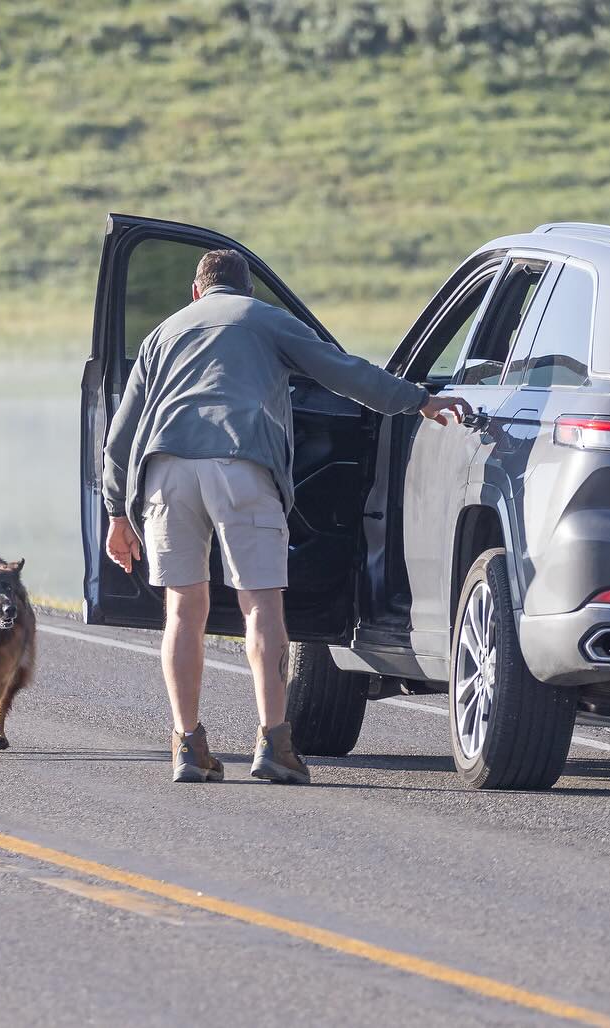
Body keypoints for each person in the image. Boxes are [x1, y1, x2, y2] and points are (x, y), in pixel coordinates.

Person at [102, 249, 471, 784]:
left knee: (183, 609)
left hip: (166, 471)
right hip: (241, 464)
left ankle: (187, 745)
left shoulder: (164, 333)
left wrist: (117, 511)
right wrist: (419, 401)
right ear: (248, 291)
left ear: (196, 292)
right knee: (261, 604)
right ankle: (274, 743)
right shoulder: (265, 319)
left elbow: (120, 433)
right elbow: (345, 375)